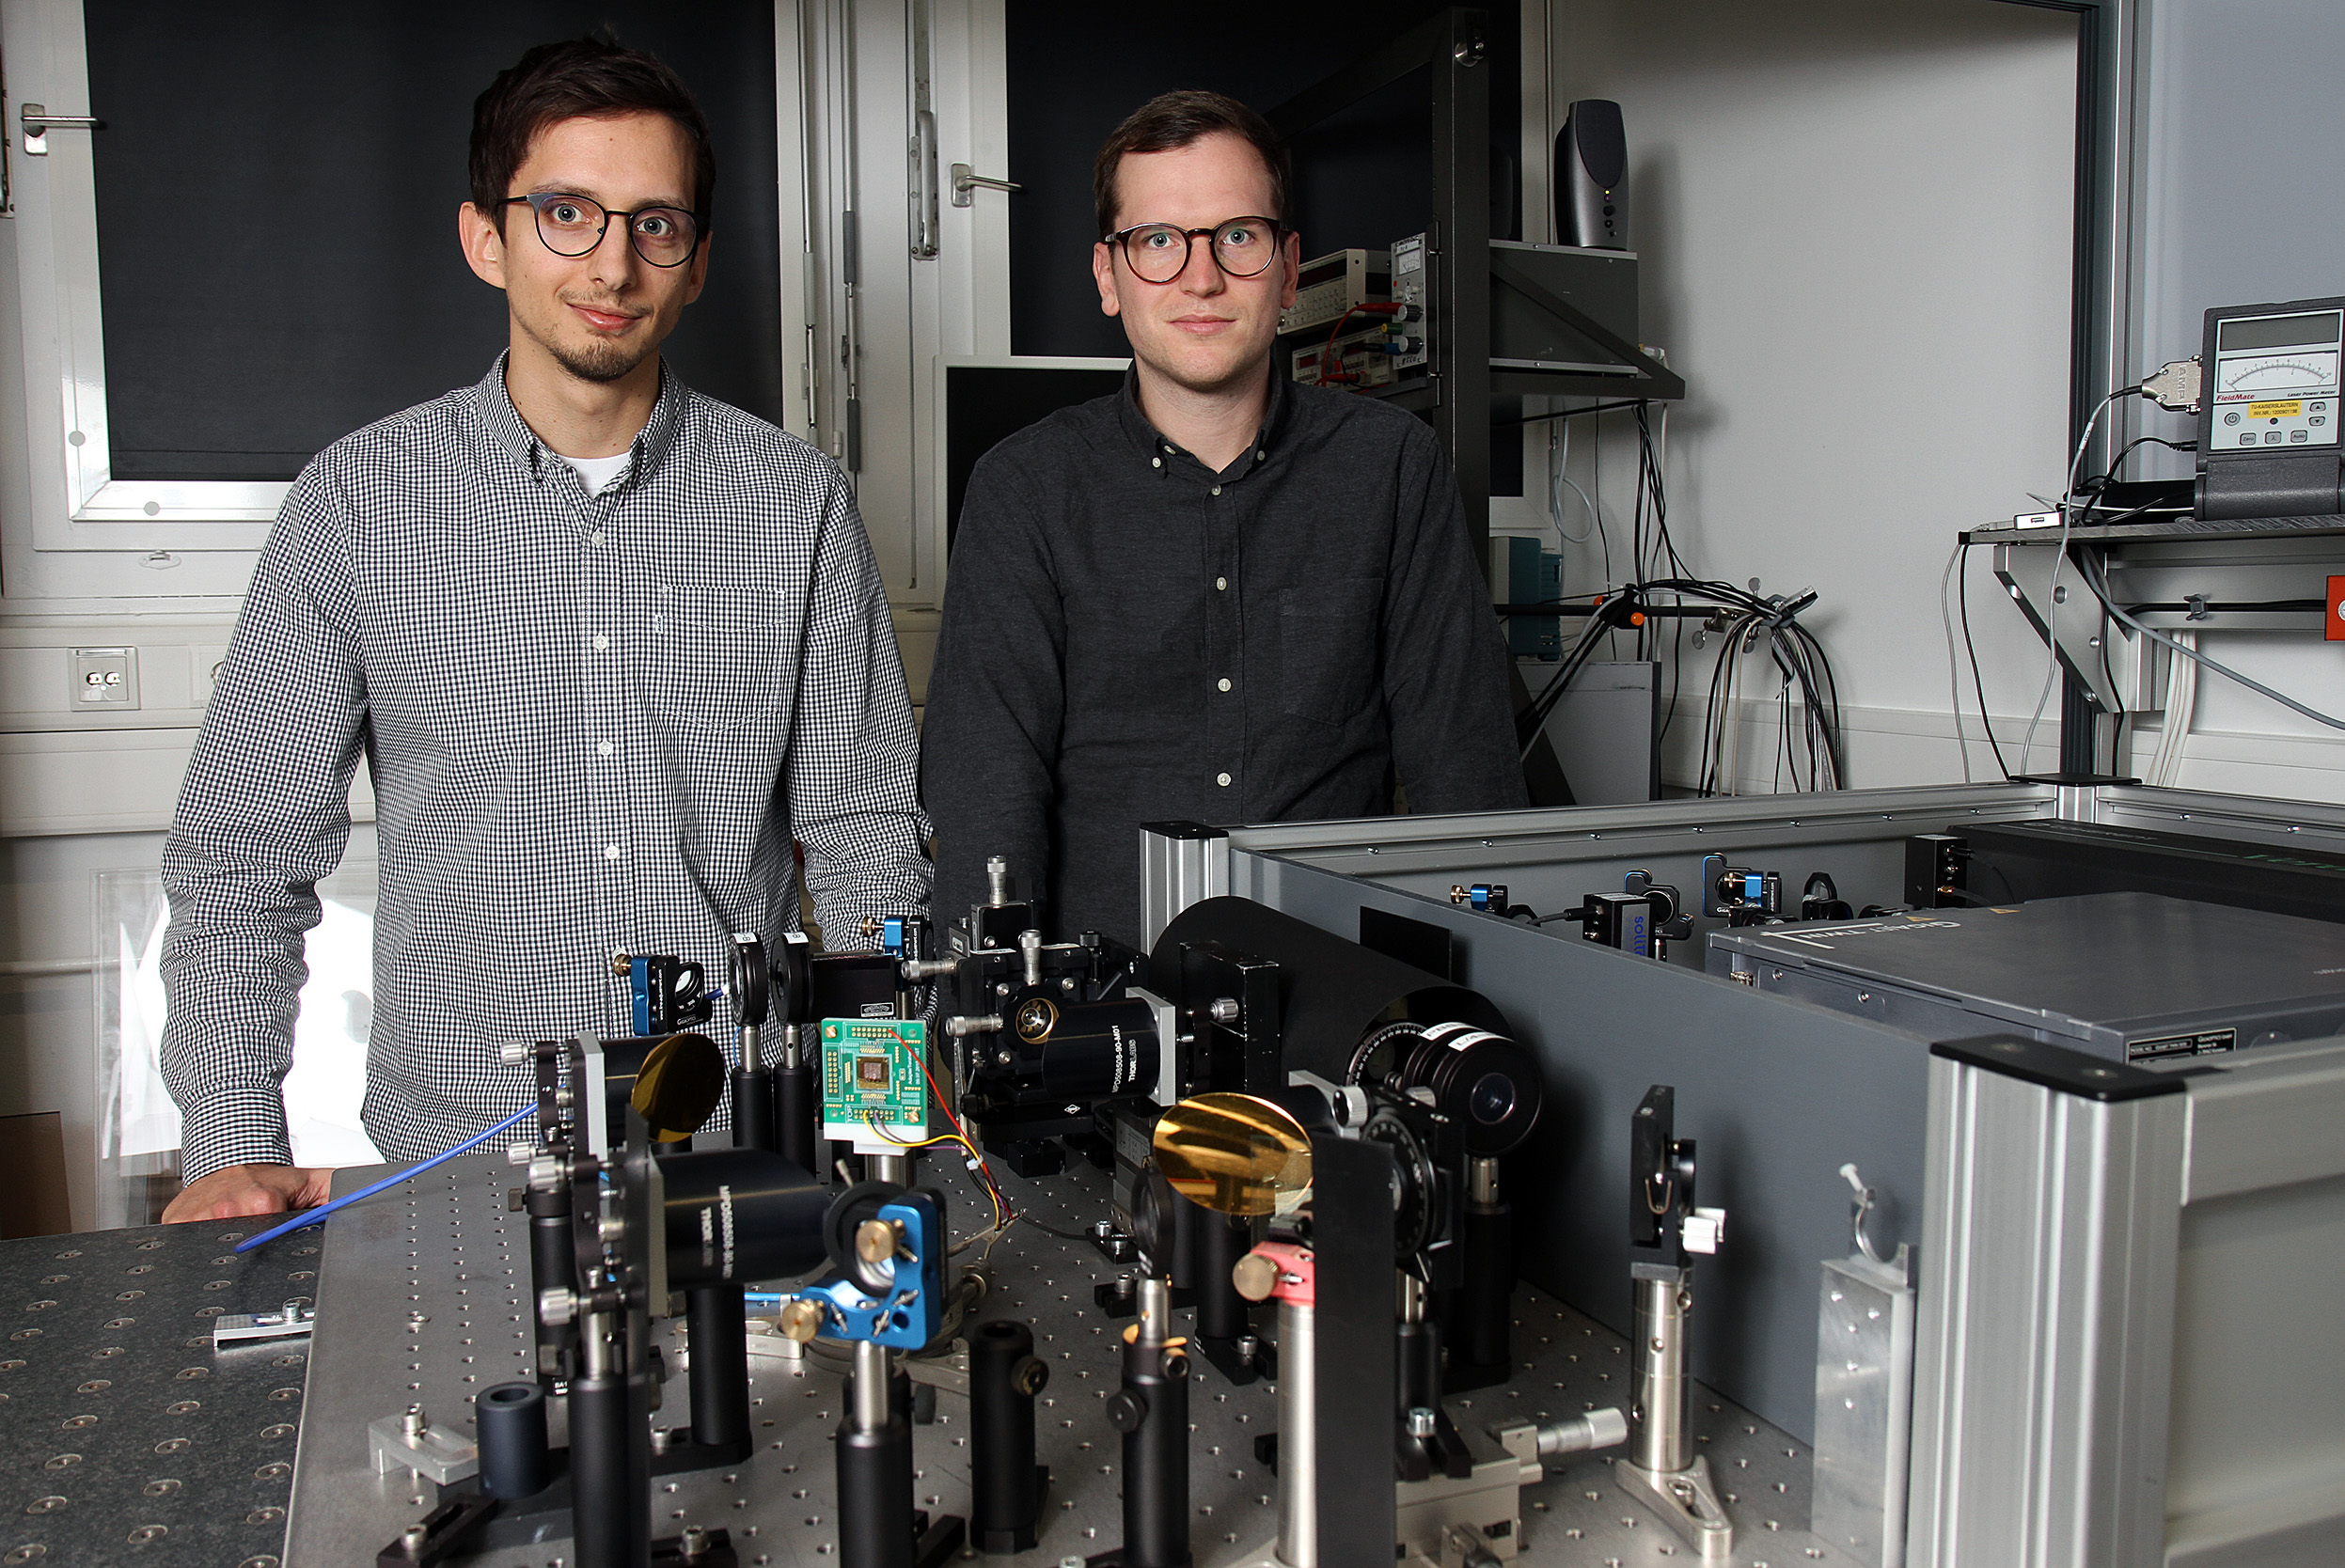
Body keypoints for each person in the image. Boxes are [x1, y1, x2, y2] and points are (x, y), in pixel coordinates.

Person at [157, 38, 929, 1223]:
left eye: (655, 224)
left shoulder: (797, 506)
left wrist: (883, 1135)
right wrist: (227, 1142)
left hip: (740, 1151)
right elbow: (242, 855)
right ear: (487, 238)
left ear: (697, 262)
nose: (613, 263)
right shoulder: (357, 503)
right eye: (567, 213)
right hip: (455, 1157)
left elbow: (865, 840)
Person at [921, 90, 1524, 949]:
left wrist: (1477, 986)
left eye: (1238, 236)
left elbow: (1464, 770)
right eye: (1157, 240)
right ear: (1108, 276)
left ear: (1289, 268)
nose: (1201, 278)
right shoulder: (1023, 489)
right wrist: (1002, 1005)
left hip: (1339, 985)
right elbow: (987, 793)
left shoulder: (1391, 467)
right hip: (1105, 999)